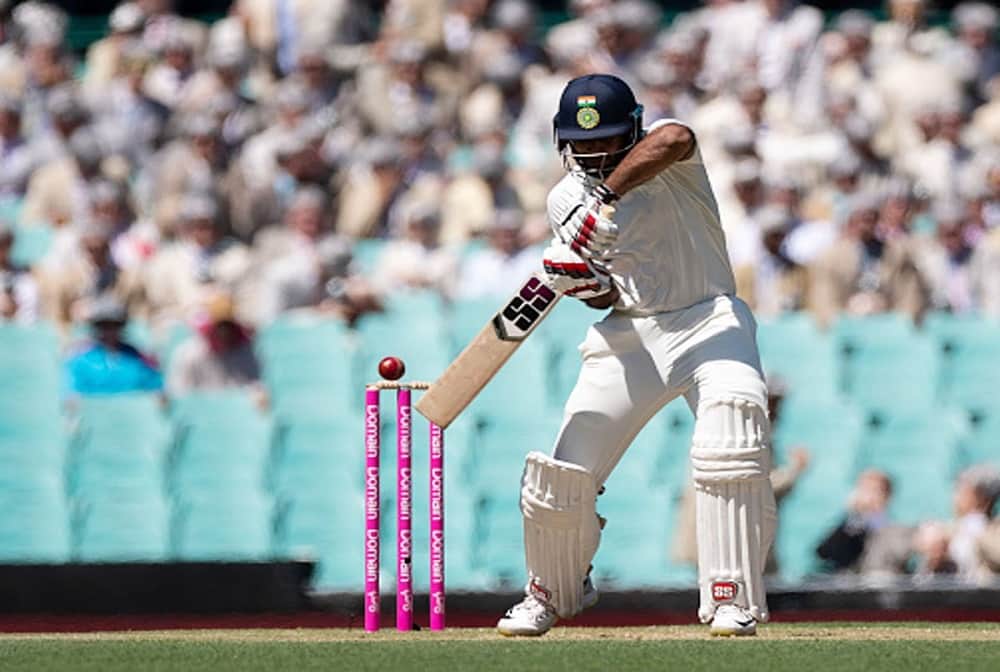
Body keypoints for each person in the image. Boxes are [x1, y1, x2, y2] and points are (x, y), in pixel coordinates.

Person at [496, 74, 777, 638]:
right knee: (560, 477)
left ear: (633, 132)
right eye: (583, 143)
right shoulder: (562, 201)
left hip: (708, 318)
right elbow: (604, 290)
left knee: (731, 436)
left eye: (608, 140)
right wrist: (578, 282)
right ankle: (550, 592)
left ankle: (731, 598)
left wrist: (603, 200)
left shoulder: (671, 164)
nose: (595, 153)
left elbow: (675, 136)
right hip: (631, 334)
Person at [64, 297, 162, 397]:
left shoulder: (134, 357)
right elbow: (73, 388)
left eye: (114, 325)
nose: (109, 331)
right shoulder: (84, 360)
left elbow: (153, 382)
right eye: (104, 326)